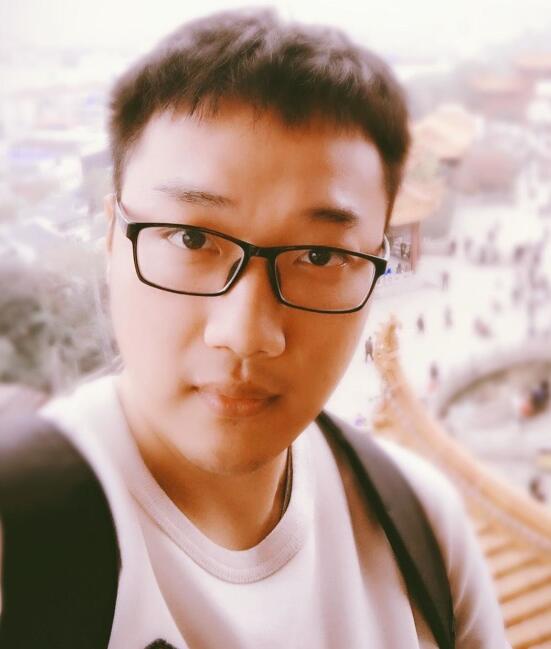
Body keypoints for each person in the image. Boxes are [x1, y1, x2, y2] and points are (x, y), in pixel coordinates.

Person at [0, 9, 510, 649]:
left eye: (320, 256)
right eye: (192, 239)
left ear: (379, 261)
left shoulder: (423, 529)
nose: (245, 335)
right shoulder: (19, 537)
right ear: (111, 237)